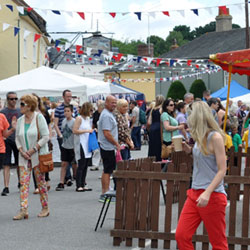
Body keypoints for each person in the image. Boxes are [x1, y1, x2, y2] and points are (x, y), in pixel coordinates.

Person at [175, 101, 228, 249]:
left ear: (197, 117)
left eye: (189, 116)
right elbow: (205, 158)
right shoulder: (199, 137)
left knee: (218, 242)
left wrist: (207, 192)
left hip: (213, 195)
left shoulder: (215, 137)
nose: (187, 120)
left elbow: (222, 169)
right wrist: (189, 150)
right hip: (195, 192)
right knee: (181, 235)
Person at [14, 94, 50, 220]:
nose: (20, 107)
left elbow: (46, 136)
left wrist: (34, 149)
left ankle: (45, 207)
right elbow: (17, 138)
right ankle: (23, 209)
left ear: (30, 106)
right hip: (24, 156)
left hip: (37, 155)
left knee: (41, 183)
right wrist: (22, 150)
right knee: (23, 183)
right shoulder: (20, 120)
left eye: (22, 104)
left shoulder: (39, 118)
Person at [98, 95, 119, 202]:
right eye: (112, 102)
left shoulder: (108, 114)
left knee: (108, 169)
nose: (114, 105)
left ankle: (105, 191)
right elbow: (106, 133)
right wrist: (116, 143)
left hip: (108, 146)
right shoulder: (106, 115)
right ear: (106, 103)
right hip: (107, 146)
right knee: (107, 170)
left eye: (115, 102)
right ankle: (105, 193)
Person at [54, 90, 78, 186]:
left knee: (73, 159)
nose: (69, 98)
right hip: (62, 136)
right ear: (63, 97)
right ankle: (67, 178)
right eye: (67, 96)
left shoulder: (74, 109)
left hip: (72, 138)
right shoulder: (59, 109)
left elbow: (77, 122)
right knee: (65, 159)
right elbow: (55, 124)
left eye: (70, 96)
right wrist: (59, 134)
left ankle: (75, 175)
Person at [0, 91, 22, 196]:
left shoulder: (20, 111)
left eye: (15, 99)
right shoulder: (3, 112)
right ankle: (6, 186)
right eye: (11, 99)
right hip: (7, 140)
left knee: (19, 163)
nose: (13, 101)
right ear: (7, 100)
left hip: (18, 139)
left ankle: (20, 182)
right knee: (6, 164)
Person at [73, 102, 94, 192]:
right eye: (91, 110)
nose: (92, 112)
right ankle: (78, 185)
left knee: (85, 164)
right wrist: (86, 131)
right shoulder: (79, 118)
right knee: (81, 164)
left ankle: (83, 183)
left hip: (87, 143)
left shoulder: (88, 119)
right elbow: (75, 130)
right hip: (80, 143)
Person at [55, 105, 75, 191]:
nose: (66, 113)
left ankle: (78, 178)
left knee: (75, 164)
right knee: (64, 164)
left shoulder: (74, 122)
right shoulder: (63, 121)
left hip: (72, 145)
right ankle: (61, 182)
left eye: (68, 111)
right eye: (65, 111)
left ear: (71, 112)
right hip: (65, 145)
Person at [147, 95, 165, 161]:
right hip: (159, 128)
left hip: (152, 128)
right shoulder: (162, 109)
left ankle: (151, 160)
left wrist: (149, 129)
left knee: (152, 146)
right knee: (159, 146)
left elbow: (149, 122)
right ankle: (159, 160)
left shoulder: (153, 109)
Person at [90, 100, 105, 171]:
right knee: (96, 150)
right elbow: (93, 123)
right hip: (96, 133)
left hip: (103, 134)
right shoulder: (96, 113)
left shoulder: (105, 114)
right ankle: (95, 164)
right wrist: (92, 129)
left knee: (103, 150)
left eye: (98, 106)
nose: (97, 108)